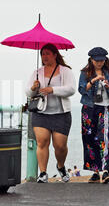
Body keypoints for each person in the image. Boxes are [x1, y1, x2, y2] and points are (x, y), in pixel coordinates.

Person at [25, 43, 76, 183]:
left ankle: (61, 166)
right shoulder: (37, 72)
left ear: (55, 55)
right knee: (42, 142)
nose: (44, 56)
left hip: (61, 114)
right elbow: (28, 92)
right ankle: (43, 173)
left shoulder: (65, 71)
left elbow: (71, 89)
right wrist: (33, 88)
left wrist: (53, 90)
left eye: (48, 53)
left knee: (60, 146)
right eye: (43, 54)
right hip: (41, 113)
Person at [78, 47, 109, 184]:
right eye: (97, 60)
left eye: (102, 60)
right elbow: (81, 89)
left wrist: (108, 86)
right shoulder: (85, 73)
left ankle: (106, 170)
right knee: (89, 139)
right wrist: (94, 80)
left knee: (107, 138)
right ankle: (95, 172)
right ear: (91, 60)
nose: (100, 63)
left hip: (105, 108)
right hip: (89, 109)